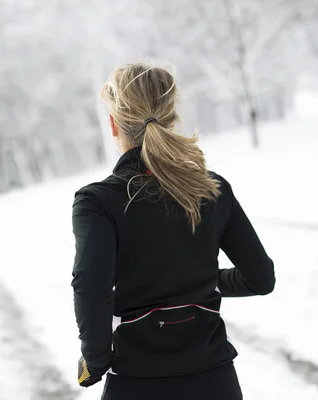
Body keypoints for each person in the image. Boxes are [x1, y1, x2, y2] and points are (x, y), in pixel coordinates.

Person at [71, 63, 275, 400]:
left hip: (138, 382)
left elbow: (92, 289)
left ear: (113, 124)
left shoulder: (97, 201)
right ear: (171, 118)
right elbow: (260, 278)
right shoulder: (212, 188)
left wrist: (95, 360)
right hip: (216, 382)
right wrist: (205, 279)